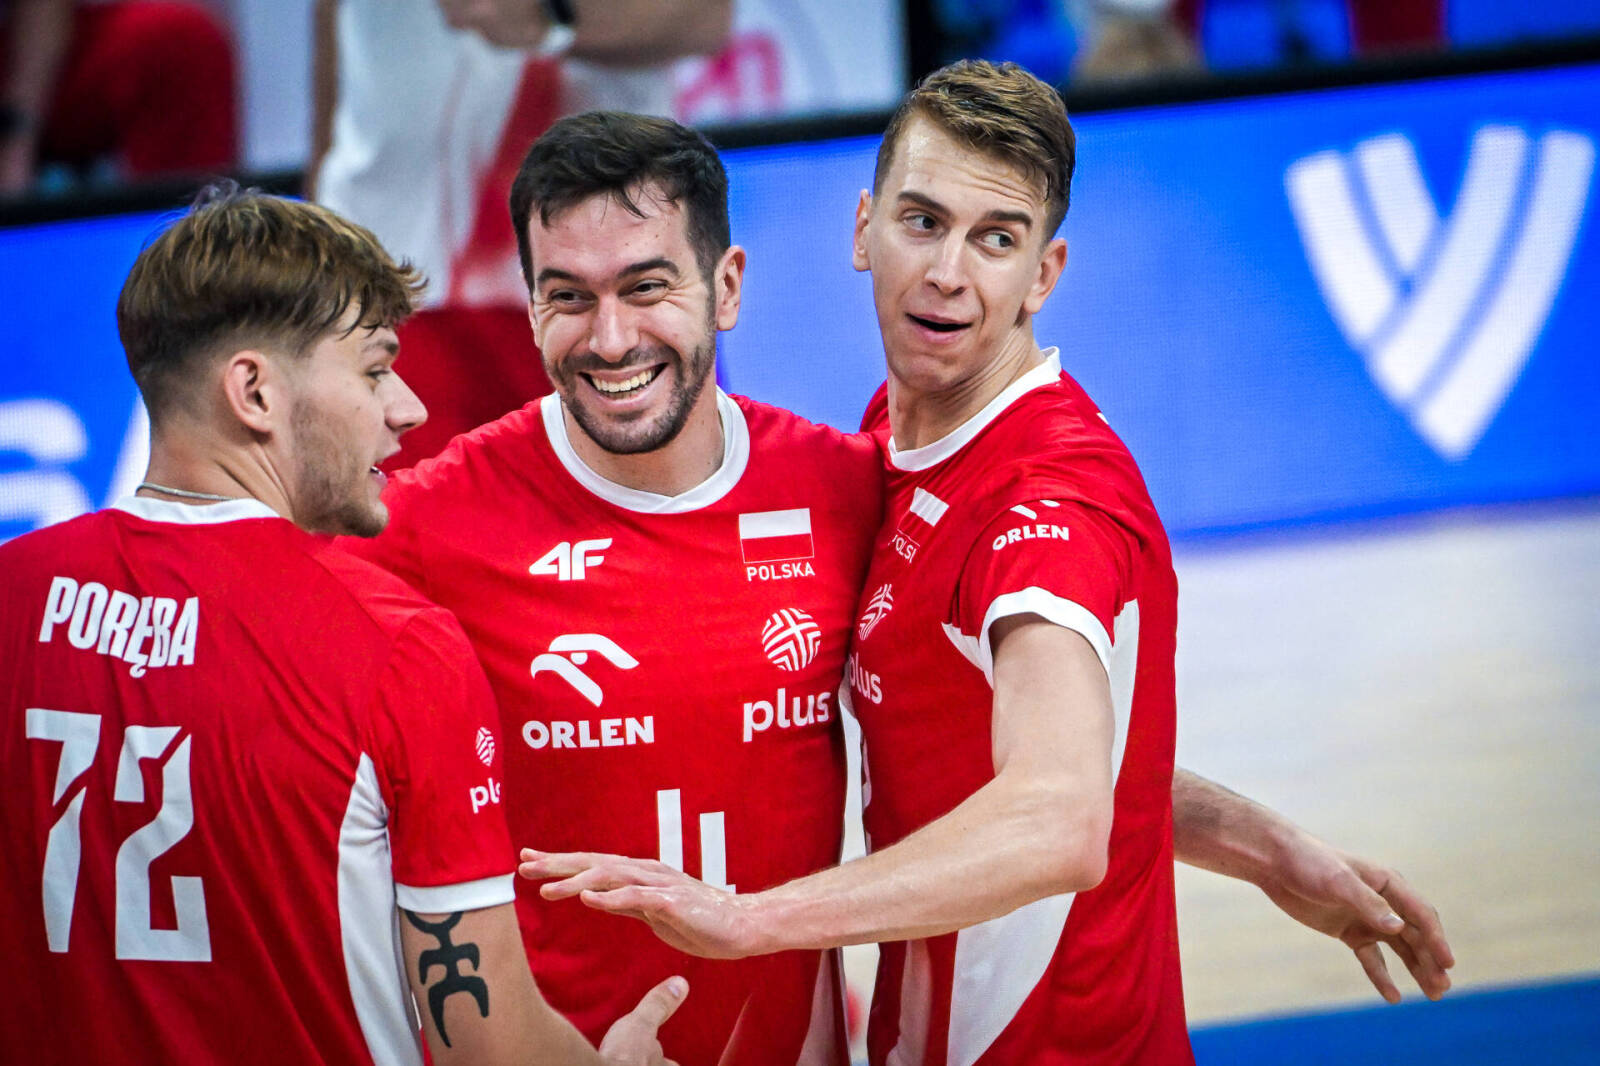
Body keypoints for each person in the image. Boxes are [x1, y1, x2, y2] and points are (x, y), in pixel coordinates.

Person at [351, 110, 1452, 1064]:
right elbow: (973, 739)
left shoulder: (845, 487)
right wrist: (1264, 846)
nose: (611, 337)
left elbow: (1053, 790)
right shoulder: (429, 521)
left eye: (646, 287)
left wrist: (747, 919)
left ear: (725, 287)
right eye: (567, 296)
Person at [0, 186, 679, 1065]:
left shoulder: (14, 594)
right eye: (372, 370)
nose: (408, 408)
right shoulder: (394, 647)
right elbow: (487, 1043)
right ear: (254, 392)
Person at [311, 0, 733, 466]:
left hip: (611, 287)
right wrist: (316, 254)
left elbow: (706, 18)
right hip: (384, 283)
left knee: (660, 507)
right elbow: (337, 48)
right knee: (379, 509)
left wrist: (552, 17)